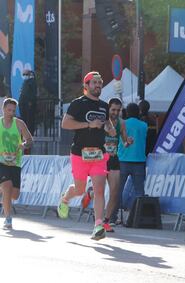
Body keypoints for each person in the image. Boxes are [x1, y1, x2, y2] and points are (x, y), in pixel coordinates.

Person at [58, 71, 116, 241]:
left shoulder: (104, 106)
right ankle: (66, 198)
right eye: (94, 82)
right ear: (87, 85)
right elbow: (65, 124)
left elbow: (106, 123)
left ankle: (98, 225)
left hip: (99, 154)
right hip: (79, 154)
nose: (98, 85)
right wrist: (88, 124)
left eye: (100, 82)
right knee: (80, 190)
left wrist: (109, 128)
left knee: (99, 189)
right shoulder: (78, 103)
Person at [82, 98, 133, 232]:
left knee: (115, 192)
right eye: (113, 110)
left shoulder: (121, 123)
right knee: (99, 190)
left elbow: (124, 142)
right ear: (108, 109)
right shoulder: (102, 122)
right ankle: (90, 193)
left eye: (118, 110)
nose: (115, 112)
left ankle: (106, 221)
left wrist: (128, 142)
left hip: (114, 159)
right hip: (100, 158)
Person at [109, 103, 148, 224]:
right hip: (139, 161)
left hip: (123, 160)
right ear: (139, 112)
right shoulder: (144, 125)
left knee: (117, 191)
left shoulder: (122, 123)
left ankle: (112, 217)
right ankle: (138, 218)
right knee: (139, 192)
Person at [0, 98, 33, 229]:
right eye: (9, 110)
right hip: (1, 162)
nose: (11, 113)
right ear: (3, 109)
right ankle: (8, 219)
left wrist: (23, 145)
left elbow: (30, 140)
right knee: (7, 186)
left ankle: (3, 195)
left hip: (15, 162)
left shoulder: (19, 124)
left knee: (14, 194)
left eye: (13, 111)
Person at [18, 70, 37, 135]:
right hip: (22, 104)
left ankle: (29, 133)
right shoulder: (25, 82)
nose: (24, 76)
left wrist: (30, 102)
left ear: (29, 75)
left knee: (29, 119)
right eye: (24, 74)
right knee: (23, 119)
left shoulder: (32, 82)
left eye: (26, 74)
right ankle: (23, 133)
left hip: (28, 104)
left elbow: (33, 94)